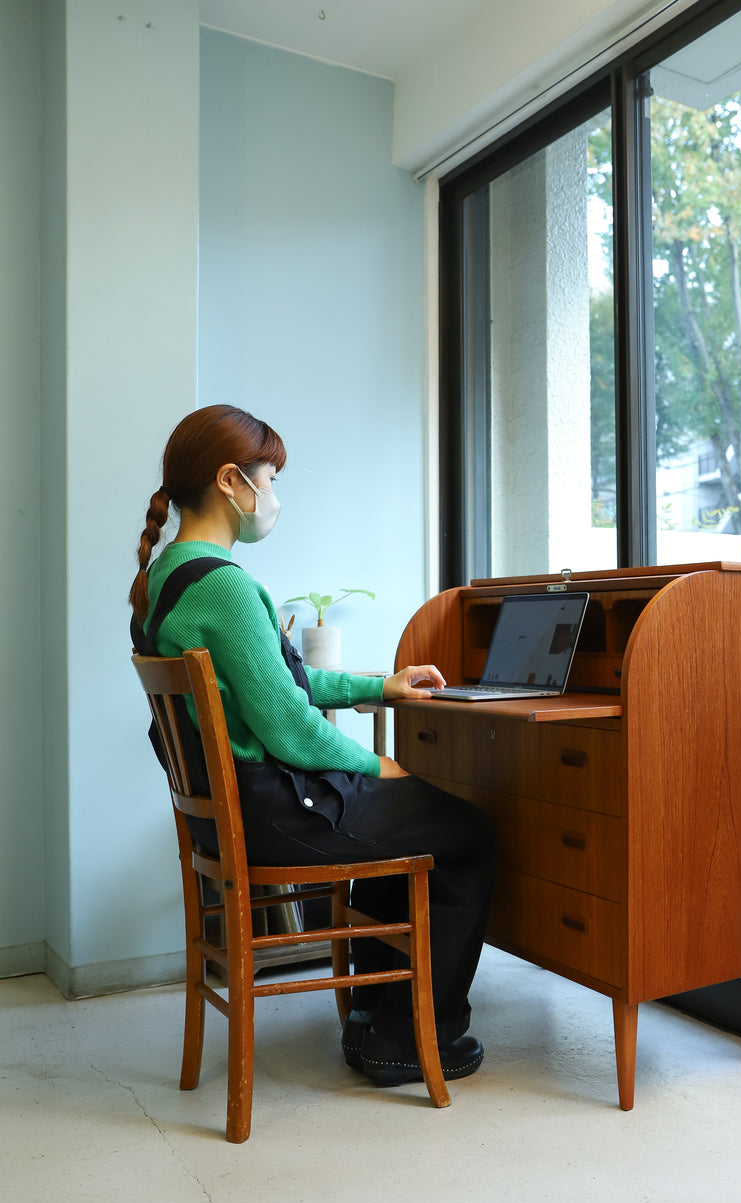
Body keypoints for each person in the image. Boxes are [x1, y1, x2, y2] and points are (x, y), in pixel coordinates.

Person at [130, 403, 496, 1086]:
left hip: (239, 810)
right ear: (231, 481)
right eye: (270, 477)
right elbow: (289, 726)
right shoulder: (226, 587)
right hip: (279, 811)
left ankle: (373, 1020)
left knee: (407, 832)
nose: (273, 496)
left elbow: (276, 684)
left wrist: (383, 687)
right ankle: (416, 1036)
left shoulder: (167, 579)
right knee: (467, 831)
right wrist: (373, 764)